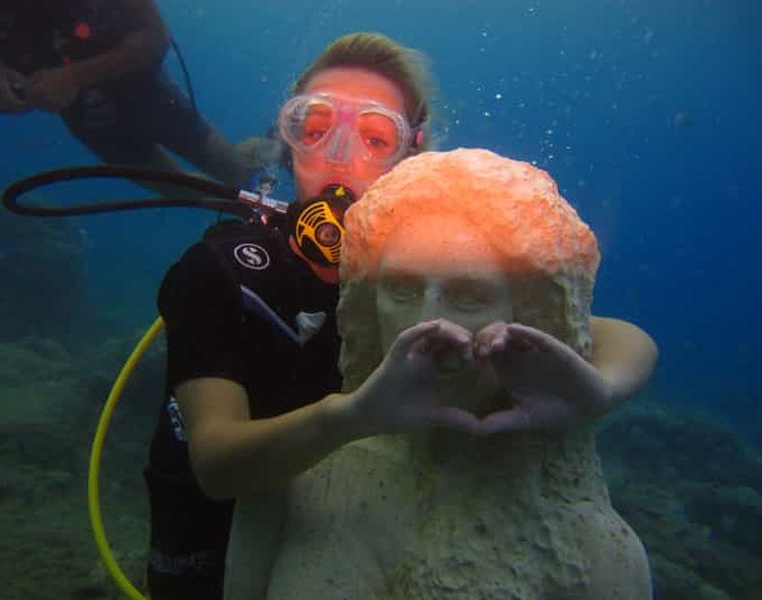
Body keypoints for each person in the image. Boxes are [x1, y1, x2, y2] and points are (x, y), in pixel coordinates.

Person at [144, 32, 658, 600]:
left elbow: (611, 335)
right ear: (285, 144)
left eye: (374, 137)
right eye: (313, 130)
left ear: (412, 156)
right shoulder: (224, 274)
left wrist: (597, 393)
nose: (338, 156)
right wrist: (357, 417)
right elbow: (217, 467)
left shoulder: (422, 268)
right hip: (216, 555)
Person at [0, 0, 276, 196]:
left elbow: (154, 37)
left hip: (148, 97)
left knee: (236, 175)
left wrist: (72, 77)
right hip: (90, 123)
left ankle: (267, 150)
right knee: (185, 192)